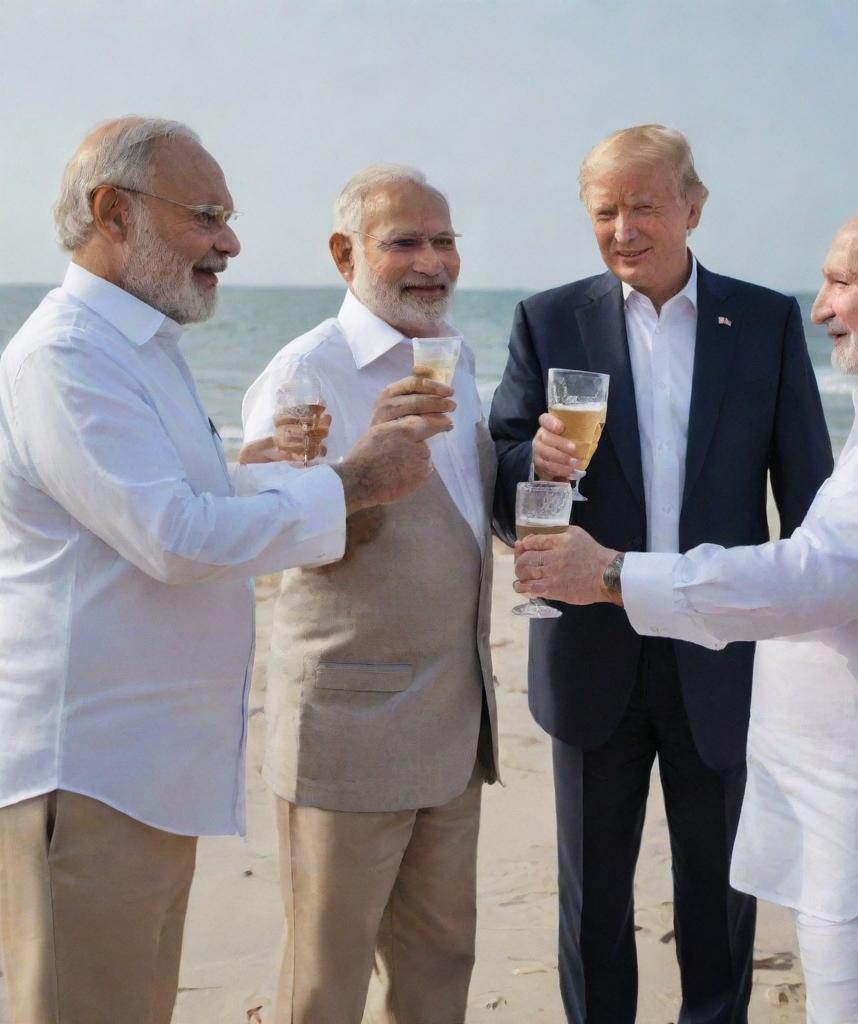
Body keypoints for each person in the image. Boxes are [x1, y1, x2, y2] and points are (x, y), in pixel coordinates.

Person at [514, 193, 858, 1023]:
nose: (820, 308)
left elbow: (810, 576)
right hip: (852, 830)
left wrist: (610, 574)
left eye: (840, 282)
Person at [0, 119, 442, 1024]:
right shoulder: (66, 357)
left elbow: (159, 506)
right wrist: (354, 483)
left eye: (227, 219)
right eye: (206, 216)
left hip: (146, 775)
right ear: (111, 212)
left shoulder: (137, 349)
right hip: (87, 775)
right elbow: (173, 539)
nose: (230, 243)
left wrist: (263, 472)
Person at [488, 124, 833, 1024]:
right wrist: (537, 464)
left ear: (693, 206)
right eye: (605, 210)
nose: (625, 228)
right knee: (593, 902)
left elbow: (808, 499)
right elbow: (499, 477)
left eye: (644, 205)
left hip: (720, 653)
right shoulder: (548, 318)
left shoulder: (765, 321)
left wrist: (814, 644)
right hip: (591, 655)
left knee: (721, 897)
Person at [240, 164, 499, 1024]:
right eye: (405, 242)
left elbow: (463, 520)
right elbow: (268, 532)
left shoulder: (452, 359)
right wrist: (361, 472)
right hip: (350, 726)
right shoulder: (304, 373)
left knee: (440, 964)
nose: (432, 262)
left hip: (452, 721)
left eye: (445, 240)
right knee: (325, 980)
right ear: (345, 253)